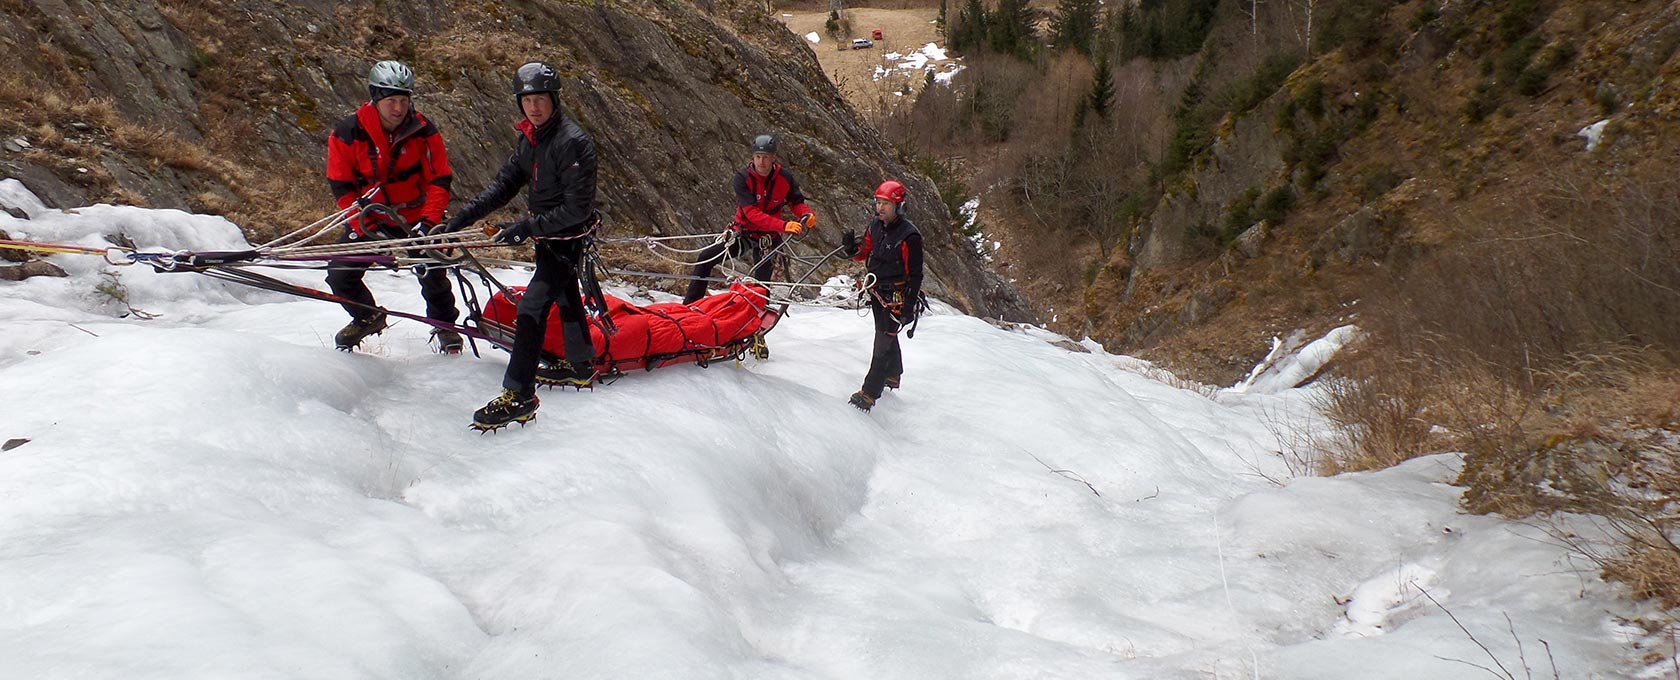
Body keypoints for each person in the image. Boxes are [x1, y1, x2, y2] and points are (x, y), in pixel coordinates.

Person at [440, 62, 600, 431]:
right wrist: (461, 218)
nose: (534, 107)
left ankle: (519, 396)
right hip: (548, 235)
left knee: (531, 307)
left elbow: (577, 209)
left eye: (541, 99)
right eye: (527, 100)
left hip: (566, 238)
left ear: (554, 100)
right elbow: (505, 184)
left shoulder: (572, 141)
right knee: (564, 295)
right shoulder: (532, 138)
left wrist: (526, 227)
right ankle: (579, 364)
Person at [325, 60, 461, 352]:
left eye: (404, 100)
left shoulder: (423, 130)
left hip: (417, 214)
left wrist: (428, 222)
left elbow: (440, 179)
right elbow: (342, 186)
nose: (398, 108)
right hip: (369, 217)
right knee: (339, 274)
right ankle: (367, 316)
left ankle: (445, 326)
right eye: (391, 101)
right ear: (375, 99)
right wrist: (367, 226)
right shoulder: (347, 133)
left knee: (433, 270)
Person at [682, 134, 816, 305]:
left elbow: (796, 202)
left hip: (768, 239)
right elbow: (751, 213)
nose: (762, 162)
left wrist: (806, 214)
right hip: (744, 233)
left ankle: (757, 318)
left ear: (773, 158)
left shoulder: (785, 178)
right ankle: (690, 305)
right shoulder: (742, 178)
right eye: (758, 157)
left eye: (766, 157)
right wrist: (783, 225)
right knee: (705, 258)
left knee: (762, 284)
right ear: (752, 157)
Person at [841, 180, 923, 412]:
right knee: (885, 334)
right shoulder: (875, 227)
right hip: (877, 292)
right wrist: (850, 248)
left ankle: (869, 392)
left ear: (899, 206)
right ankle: (894, 374)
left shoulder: (910, 237)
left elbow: (916, 275)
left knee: (882, 341)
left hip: (896, 296)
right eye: (879, 202)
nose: (881, 208)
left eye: (886, 203)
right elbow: (863, 252)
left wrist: (908, 306)